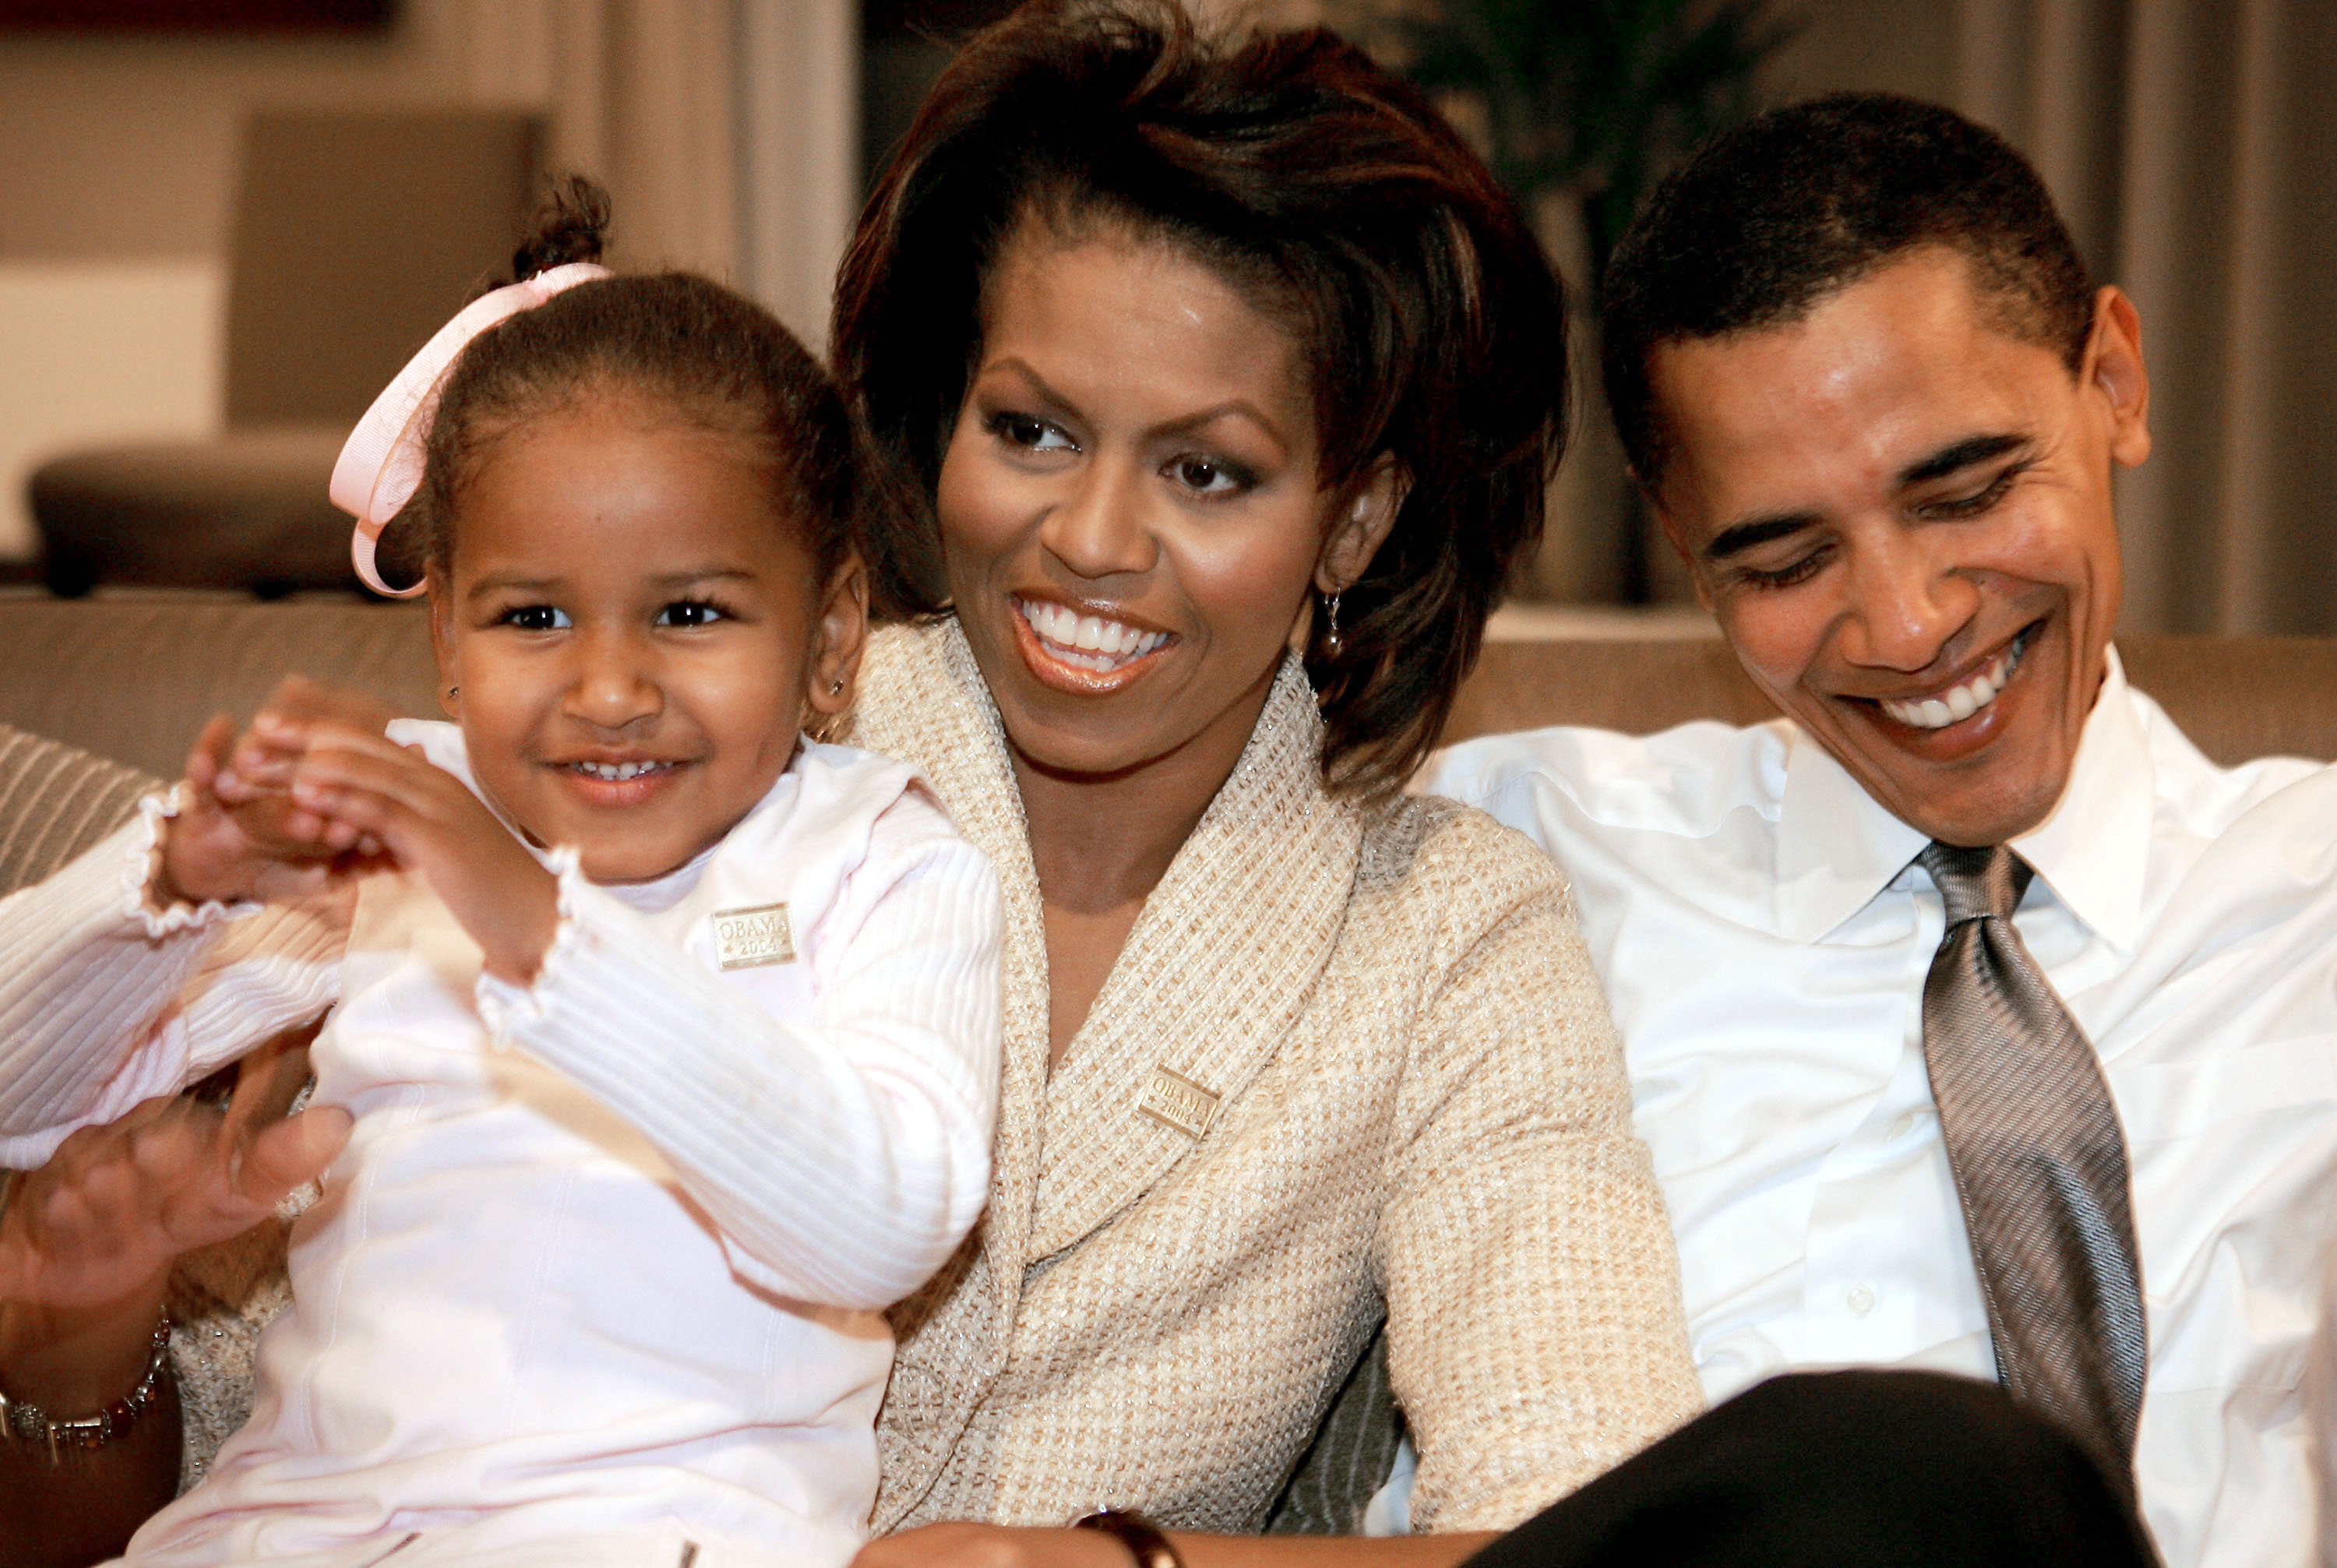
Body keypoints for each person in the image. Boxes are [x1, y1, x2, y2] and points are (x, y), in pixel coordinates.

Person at [0, 16, 2160, 1568]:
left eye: (1209, 470)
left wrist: (1092, 1566)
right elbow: (183, 1467)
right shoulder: (651, 734)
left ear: (1351, 513)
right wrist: (84, 1325)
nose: (1093, 545)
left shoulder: (1442, 932)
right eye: (1033, 430)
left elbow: (1566, 1526)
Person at [0, 189, 1005, 1566]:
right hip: (285, 1527)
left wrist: (532, 921)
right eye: (534, 616)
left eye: (692, 612)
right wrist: (170, 882)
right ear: (448, 650)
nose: (608, 687)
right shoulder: (384, 840)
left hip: (656, 1531)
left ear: (831, 641)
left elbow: (880, 1222)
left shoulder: (882, 857)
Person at [1424, 93, 2337, 1568]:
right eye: (1784, 557)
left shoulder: (2317, 897)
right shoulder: (1511, 855)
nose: (1908, 627)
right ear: (1682, 547)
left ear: (2114, 378)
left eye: (1969, 490)